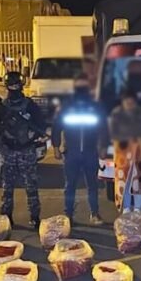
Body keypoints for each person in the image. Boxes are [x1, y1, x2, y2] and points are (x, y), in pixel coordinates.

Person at [0, 71, 47, 228]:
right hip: (8, 151)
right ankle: (6, 217)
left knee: (31, 187)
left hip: (26, 150)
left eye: (16, 85)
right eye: (11, 86)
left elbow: (41, 125)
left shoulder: (29, 105)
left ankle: (35, 217)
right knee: (7, 188)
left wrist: (33, 135)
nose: (14, 89)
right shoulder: (3, 106)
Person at [52, 74, 106, 225]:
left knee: (92, 185)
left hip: (90, 151)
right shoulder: (66, 106)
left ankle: (94, 213)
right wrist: (56, 147)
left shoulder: (95, 106)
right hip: (71, 152)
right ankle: (68, 215)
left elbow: (103, 128)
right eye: (79, 85)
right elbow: (57, 127)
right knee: (70, 186)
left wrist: (103, 146)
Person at [108, 89, 141, 212]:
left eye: (131, 101)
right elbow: (112, 132)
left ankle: (138, 209)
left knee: (139, 181)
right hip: (122, 153)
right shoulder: (117, 113)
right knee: (124, 181)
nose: (129, 104)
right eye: (126, 101)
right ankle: (126, 207)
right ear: (123, 101)